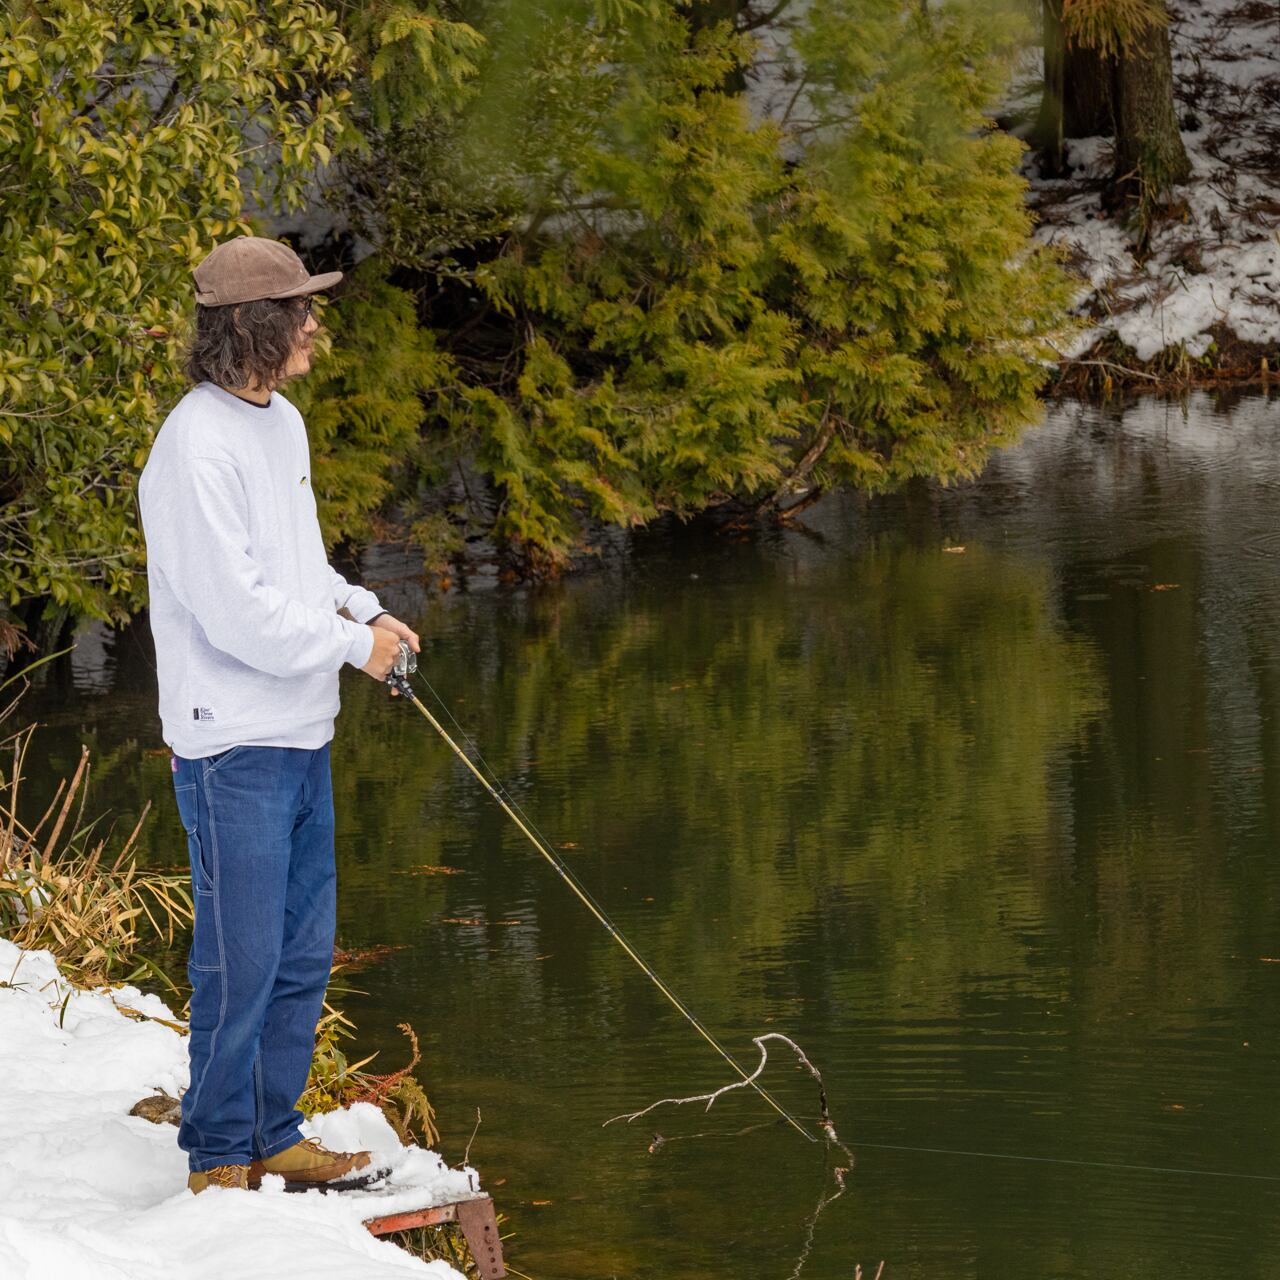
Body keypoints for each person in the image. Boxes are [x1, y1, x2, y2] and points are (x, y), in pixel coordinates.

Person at [138, 236, 418, 1194]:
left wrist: (365, 610)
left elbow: (296, 574)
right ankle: (218, 1155)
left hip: (303, 734)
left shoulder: (281, 423)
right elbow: (236, 609)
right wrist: (352, 647)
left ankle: (272, 1131)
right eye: (300, 309)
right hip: (231, 745)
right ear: (253, 326)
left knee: (300, 955)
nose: (314, 323)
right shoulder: (194, 446)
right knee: (239, 960)